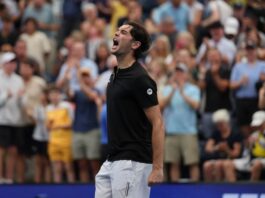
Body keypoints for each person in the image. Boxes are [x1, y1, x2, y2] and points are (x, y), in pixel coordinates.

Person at [95, 22, 164, 198]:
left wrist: (157, 168)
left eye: (123, 32)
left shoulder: (140, 78)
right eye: (117, 30)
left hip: (133, 162)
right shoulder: (115, 74)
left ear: (135, 45)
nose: (116, 33)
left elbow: (157, 122)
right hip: (112, 159)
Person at [160, 63, 201, 182]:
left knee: (192, 162)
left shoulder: (193, 89)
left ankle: (196, 191)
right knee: (173, 163)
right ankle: (175, 192)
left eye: (181, 72)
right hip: (172, 132)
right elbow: (161, 105)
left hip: (188, 132)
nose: (178, 75)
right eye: (176, 72)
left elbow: (196, 105)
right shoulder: (168, 89)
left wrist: (182, 92)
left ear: (186, 75)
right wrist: (173, 90)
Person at [69, 67, 101, 183]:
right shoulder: (77, 92)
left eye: (87, 76)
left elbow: (92, 97)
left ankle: (98, 189)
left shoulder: (96, 91)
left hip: (92, 130)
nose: (84, 78)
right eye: (83, 76)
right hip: (77, 130)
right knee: (81, 163)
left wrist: (79, 81)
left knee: (94, 163)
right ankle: (83, 189)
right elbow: (69, 95)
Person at [224, 111, 265, 182]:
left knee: (257, 164)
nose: (258, 127)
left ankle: (251, 189)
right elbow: (246, 153)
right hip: (251, 160)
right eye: (256, 126)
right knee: (227, 164)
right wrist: (247, 145)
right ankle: (233, 190)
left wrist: (260, 142)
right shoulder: (254, 135)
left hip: (262, 160)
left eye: (260, 125)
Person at [203, 109, 242, 182]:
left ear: (227, 122)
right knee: (207, 165)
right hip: (217, 158)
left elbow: (236, 153)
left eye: (221, 124)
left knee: (219, 164)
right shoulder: (216, 134)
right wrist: (217, 148)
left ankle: (220, 188)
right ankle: (208, 187)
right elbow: (208, 148)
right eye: (217, 125)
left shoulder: (235, 134)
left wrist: (227, 149)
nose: (219, 127)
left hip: (231, 159)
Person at [46, 85, 75, 183]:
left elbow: (71, 123)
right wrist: (50, 126)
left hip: (66, 141)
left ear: (60, 95)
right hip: (53, 141)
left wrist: (57, 126)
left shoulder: (67, 106)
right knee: (56, 168)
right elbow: (47, 126)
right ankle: (56, 190)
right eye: (51, 95)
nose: (54, 97)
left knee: (68, 167)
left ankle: (72, 190)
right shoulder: (48, 108)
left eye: (56, 94)